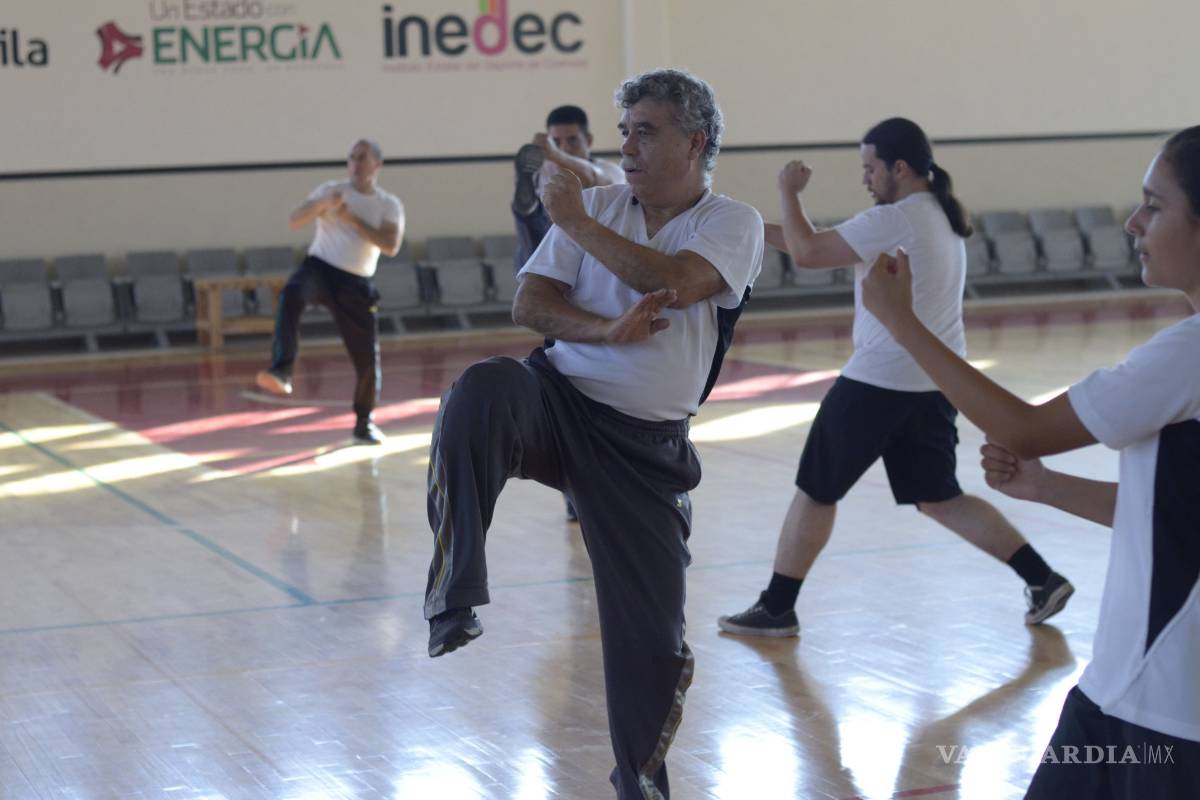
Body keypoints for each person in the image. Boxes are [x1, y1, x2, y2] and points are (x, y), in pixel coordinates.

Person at [424, 69, 763, 798]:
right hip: (557, 404)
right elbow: (530, 300)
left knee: (650, 639)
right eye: (626, 131)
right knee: (481, 390)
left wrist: (575, 221)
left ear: (695, 141)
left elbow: (669, 278)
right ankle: (455, 593)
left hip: (645, 451)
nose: (629, 145)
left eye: (647, 130)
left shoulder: (731, 223)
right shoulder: (606, 202)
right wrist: (603, 331)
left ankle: (641, 781)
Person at [860, 126, 1200, 799]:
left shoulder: (1186, 356)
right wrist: (1043, 487)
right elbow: (1173, 514)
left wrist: (902, 325)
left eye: (1155, 206)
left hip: (1162, 706)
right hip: (1123, 689)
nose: (1134, 222)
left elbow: (1024, 427)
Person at [718, 118, 1072, 638]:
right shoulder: (937, 217)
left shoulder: (898, 218)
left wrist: (786, 193)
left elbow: (810, 252)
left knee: (816, 490)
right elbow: (810, 242)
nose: (865, 179)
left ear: (898, 168)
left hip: (877, 383)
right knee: (940, 498)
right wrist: (746, 228)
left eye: (869, 168)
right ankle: (1042, 579)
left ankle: (777, 607)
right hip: (933, 385)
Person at [255, 139, 403, 445]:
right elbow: (295, 220)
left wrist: (354, 220)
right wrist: (321, 205)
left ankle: (364, 422)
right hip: (320, 268)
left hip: (356, 282)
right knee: (292, 293)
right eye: (351, 157)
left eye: (363, 158)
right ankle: (282, 370)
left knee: (366, 357)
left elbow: (390, 245)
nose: (356, 163)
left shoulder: (389, 204)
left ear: (377, 165)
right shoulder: (331, 190)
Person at [512, 104, 626, 271]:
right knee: (532, 220)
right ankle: (528, 210)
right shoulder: (541, 171)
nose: (564, 148)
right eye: (556, 142)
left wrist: (556, 154)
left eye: (572, 140)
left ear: (588, 141)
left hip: (593, 245)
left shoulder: (609, 169)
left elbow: (593, 178)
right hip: (546, 241)